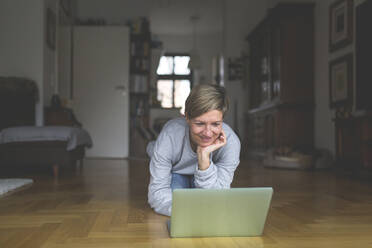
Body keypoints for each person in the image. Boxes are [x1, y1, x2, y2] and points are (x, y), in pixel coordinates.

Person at [147, 84, 241, 216]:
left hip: (206, 174)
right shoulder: (170, 136)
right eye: (199, 123)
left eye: (215, 124)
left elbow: (218, 197)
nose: (208, 134)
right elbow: (157, 194)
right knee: (179, 200)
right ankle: (152, 148)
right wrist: (184, 212)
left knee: (202, 201)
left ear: (222, 120)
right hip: (176, 171)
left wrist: (204, 160)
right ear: (186, 117)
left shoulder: (231, 143)